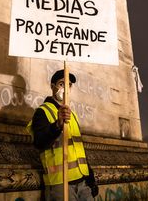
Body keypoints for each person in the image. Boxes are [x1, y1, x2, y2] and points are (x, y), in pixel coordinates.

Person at [26, 69, 97, 201]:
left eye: (69, 85)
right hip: (59, 184)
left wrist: (90, 178)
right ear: (52, 86)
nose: (66, 88)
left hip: (82, 182)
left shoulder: (72, 114)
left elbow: (79, 150)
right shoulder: (42, 112)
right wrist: (57, 125)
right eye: (61, 84)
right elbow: (39, 142)